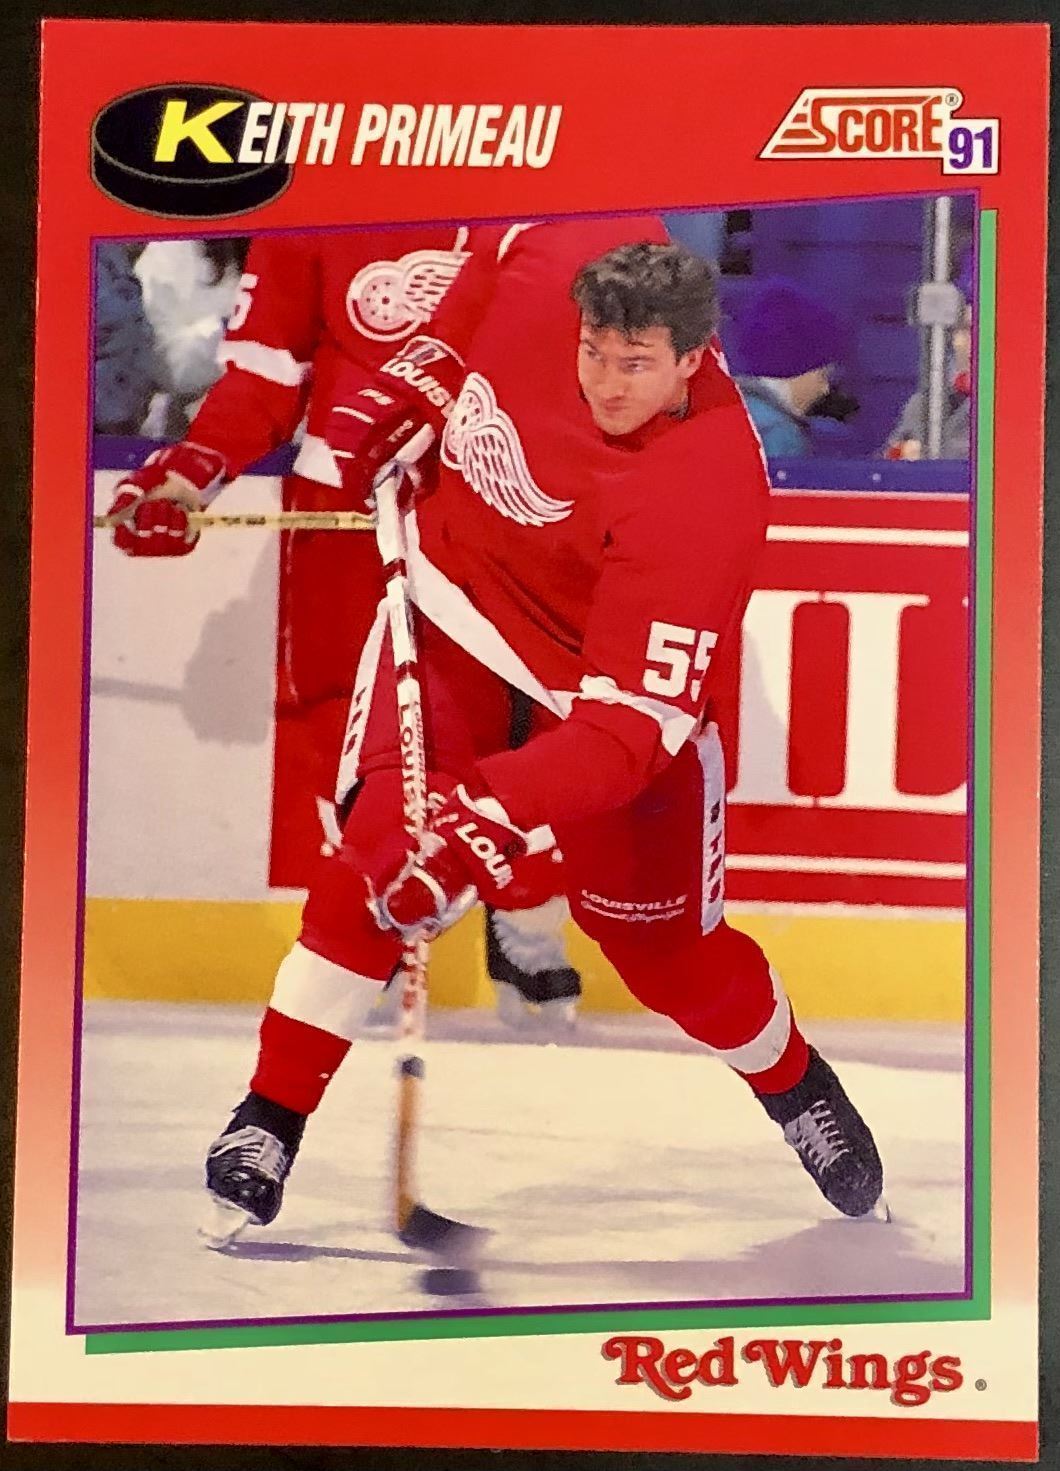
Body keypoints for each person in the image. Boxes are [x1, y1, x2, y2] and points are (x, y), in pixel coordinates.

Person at [199, 221, 885, 1245]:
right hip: (458, 615)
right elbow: (488, 264)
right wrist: (422, 381)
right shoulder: (576, 250)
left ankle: (796, 1084)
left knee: (666, 959)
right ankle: (268, 1118)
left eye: (636, 365)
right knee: (377, 858)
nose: (605, 383)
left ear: (695, 360)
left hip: (598, 703)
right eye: (593, 353)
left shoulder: (708, 490)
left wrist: (481, 820)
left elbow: (622, 735)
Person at [104, 226, 583, 1029]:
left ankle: (527, 906)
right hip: (346, 510)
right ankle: (374, 922)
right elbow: (263, 380)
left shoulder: (549, 192)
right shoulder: (324, 200)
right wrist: (189, 474)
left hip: (503, 503)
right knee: (354, 736)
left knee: (527, 726)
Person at [727, 276, 849, 456]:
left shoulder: (716, 412)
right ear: (797, 371)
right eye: (822, 376)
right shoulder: (780, 434)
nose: (824, 389)